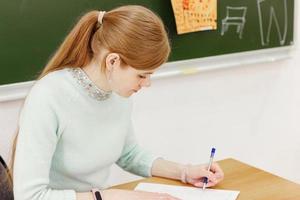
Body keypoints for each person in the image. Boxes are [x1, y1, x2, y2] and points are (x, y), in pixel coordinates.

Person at [13, 5, 224, 200]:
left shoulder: (117, 93)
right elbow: (30, 196)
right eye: (142, 75)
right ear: (113, 61)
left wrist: (185, 172)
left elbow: (129, 154)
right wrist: (108, 197)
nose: (147, 84)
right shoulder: (49, 96)